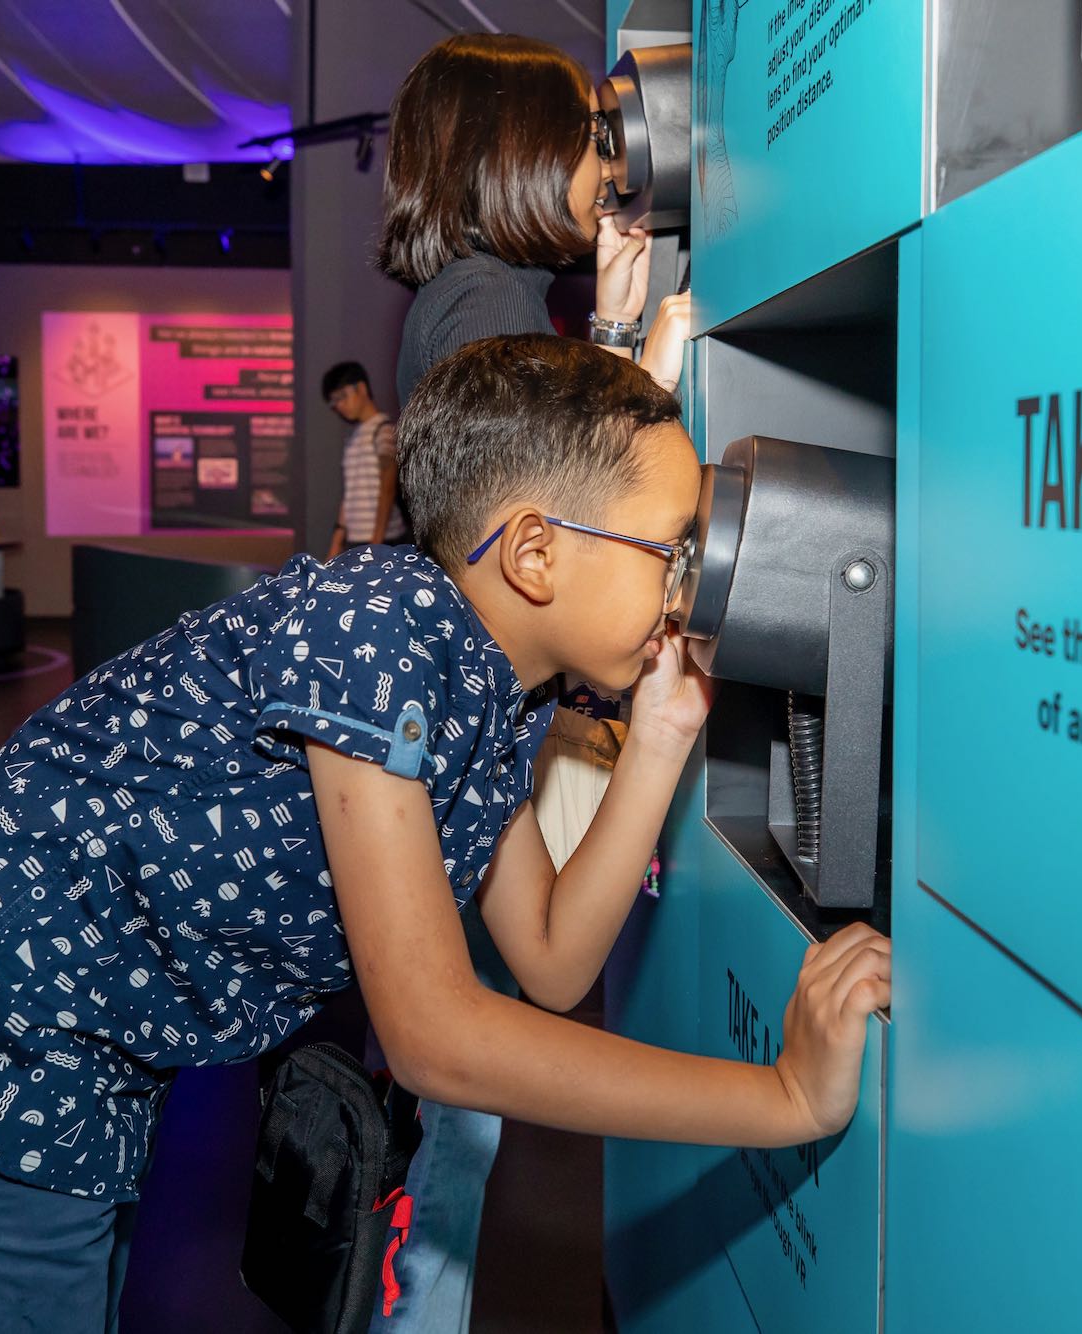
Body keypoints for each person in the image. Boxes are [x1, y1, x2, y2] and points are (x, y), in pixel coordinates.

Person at [0, 336, 889, 1333]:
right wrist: (782, 1094)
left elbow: (553, 958)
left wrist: (656, 739)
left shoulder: (491, 690)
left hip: (91, 1063)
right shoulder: (374, 637)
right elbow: (435, 1032)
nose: (684, 585)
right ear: (531, 553)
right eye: (667, 549)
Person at [376, 36, 694, 1325]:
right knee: (452, 1136)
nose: (607, 166)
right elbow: (537, 520)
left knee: (456, 1131)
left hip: (464, 735)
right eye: (586, 140)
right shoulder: (485, 308)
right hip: (468, 737)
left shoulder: (471, 298)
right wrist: (639, 364)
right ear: (511, 152)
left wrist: (613, 332)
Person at [380, 33, 693, 410]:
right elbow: (566, 471)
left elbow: (554, 456)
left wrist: (615, 324)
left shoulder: (473, 290)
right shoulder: (489, 299)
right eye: (595, 137)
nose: (609, 171)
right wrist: (653, 384)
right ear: (530, 153)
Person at [323, 361, 407, 559]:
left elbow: (387, 489)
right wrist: (336, 542)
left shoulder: (384, 429)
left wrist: (376, 543)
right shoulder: (352, 437)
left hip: (383, 541)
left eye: (342, 397)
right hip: (356, 538)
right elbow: (350, 493)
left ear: (360, 388)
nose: (339, 406)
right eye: (334, 402)